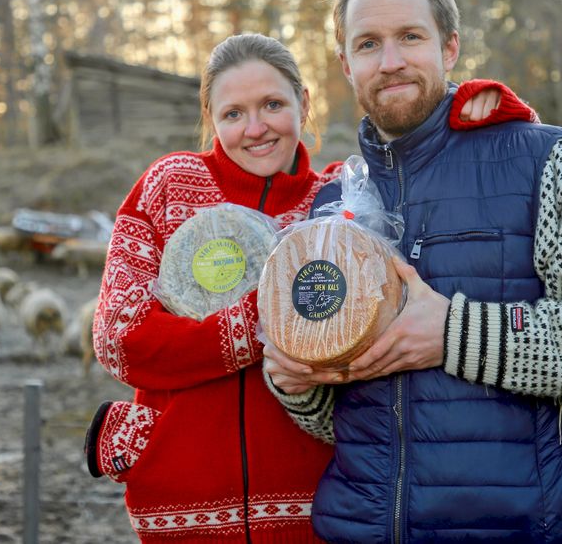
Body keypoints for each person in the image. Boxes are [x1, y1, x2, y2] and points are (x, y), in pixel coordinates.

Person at [263, 0, 562, 544]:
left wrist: (455, 334)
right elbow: (351, 423)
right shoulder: (334, 206)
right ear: (344, 64)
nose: (390, 62)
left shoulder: (545, 161)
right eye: (367, 44)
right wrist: (297, 384)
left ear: (450, 47)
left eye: (410, 36)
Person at [82, 31, 511, 543]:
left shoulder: (339, 200)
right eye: (233, 113)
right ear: (211, 119)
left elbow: (438, 171)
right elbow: (118, 340)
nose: (256, 128)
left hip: (315, 512)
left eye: (272, 104)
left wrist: (477, 107)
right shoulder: (169, 186)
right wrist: (273, 318)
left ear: (303, 104)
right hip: (179, 506)